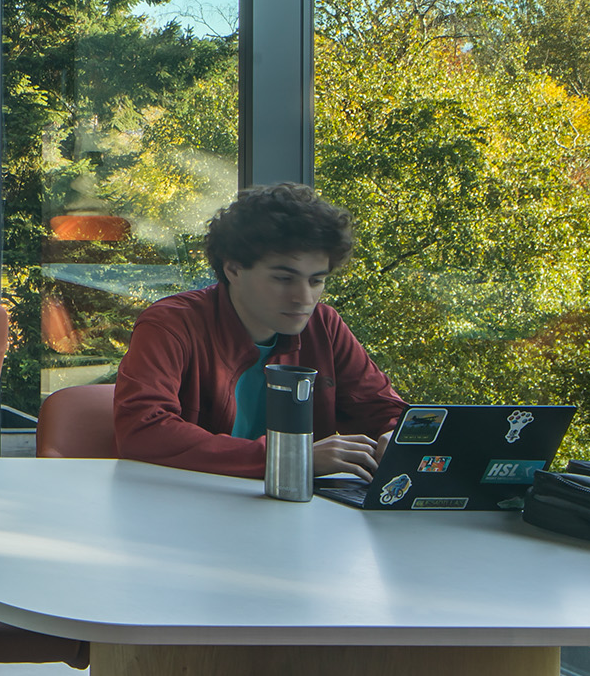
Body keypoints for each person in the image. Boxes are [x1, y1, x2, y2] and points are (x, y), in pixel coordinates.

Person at [113, 183, 407, 480]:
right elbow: (142, 431)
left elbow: (386, 413)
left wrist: (396, 438)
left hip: (299, 505)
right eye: (283, 279)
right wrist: (290, 457)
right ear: (233, 270)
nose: (304, 298)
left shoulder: (324, 325)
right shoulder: (171, 324)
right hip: (189, 501)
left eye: (316, 281)